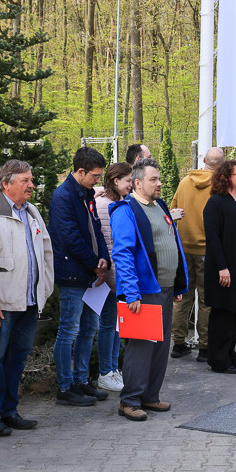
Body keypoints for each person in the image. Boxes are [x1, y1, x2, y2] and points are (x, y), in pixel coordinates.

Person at [0, 160, 54, 437]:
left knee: (17, 358)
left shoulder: (32, 212)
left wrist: (45, 289)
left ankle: (9, 410)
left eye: (32, 179)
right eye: (25, 180)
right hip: (1, 304)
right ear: (6, 184)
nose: (31, 185)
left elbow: (47, 252)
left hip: (29, 302)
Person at [110, 159, 188, 421]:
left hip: (164, 288)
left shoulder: (159, 206)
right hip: (143, 292)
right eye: (154, 179)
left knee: (161, 345)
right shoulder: (126, 211)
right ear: (137, 183)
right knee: (141, 347)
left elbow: (170, 242)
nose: (160, 183)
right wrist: (131, 293)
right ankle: (129, 401)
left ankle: (150, 397)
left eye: (159, 179)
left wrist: (177, 283)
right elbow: (122, 254)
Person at [49, 147, 111, 408]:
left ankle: (81, 380)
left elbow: (96, 229)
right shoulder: (63, 197)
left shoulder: (86, 194)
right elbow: (70, 238)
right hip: (73, 274)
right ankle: (65, 387)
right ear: (81, 171)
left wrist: (104, 258)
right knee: (69, 331)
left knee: (89, 329)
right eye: (95, 176)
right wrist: (94, 264)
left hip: (90, 273)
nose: (98, 180)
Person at [170, 146, 225, 362]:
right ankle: (205, 346)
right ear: (221, 165)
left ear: (203, 160)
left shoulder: (184, 182)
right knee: (206, 300)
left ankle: (178, 343)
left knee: (181, 297)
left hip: (183, 249)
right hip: (207, 250)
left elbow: (173, 211)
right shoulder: (219, 186)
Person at [203, 160, 236, 372]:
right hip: (225, 269)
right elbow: (213, 239)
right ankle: (218, 359)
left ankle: (229, 353)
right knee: (223, 315)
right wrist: (222, 267)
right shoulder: (216, 202)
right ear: (226, 177)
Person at [92, 163, 132, 393]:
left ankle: (113, 368)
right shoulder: (103, 205)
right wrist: (113, 278)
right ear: (115, 180)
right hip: (109, 277)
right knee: (108, 324)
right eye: (128, 180)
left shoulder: (119, 203)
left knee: (117, 325)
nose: (131, 184)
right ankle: (106, 372)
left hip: (118, 276)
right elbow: (107, 244)